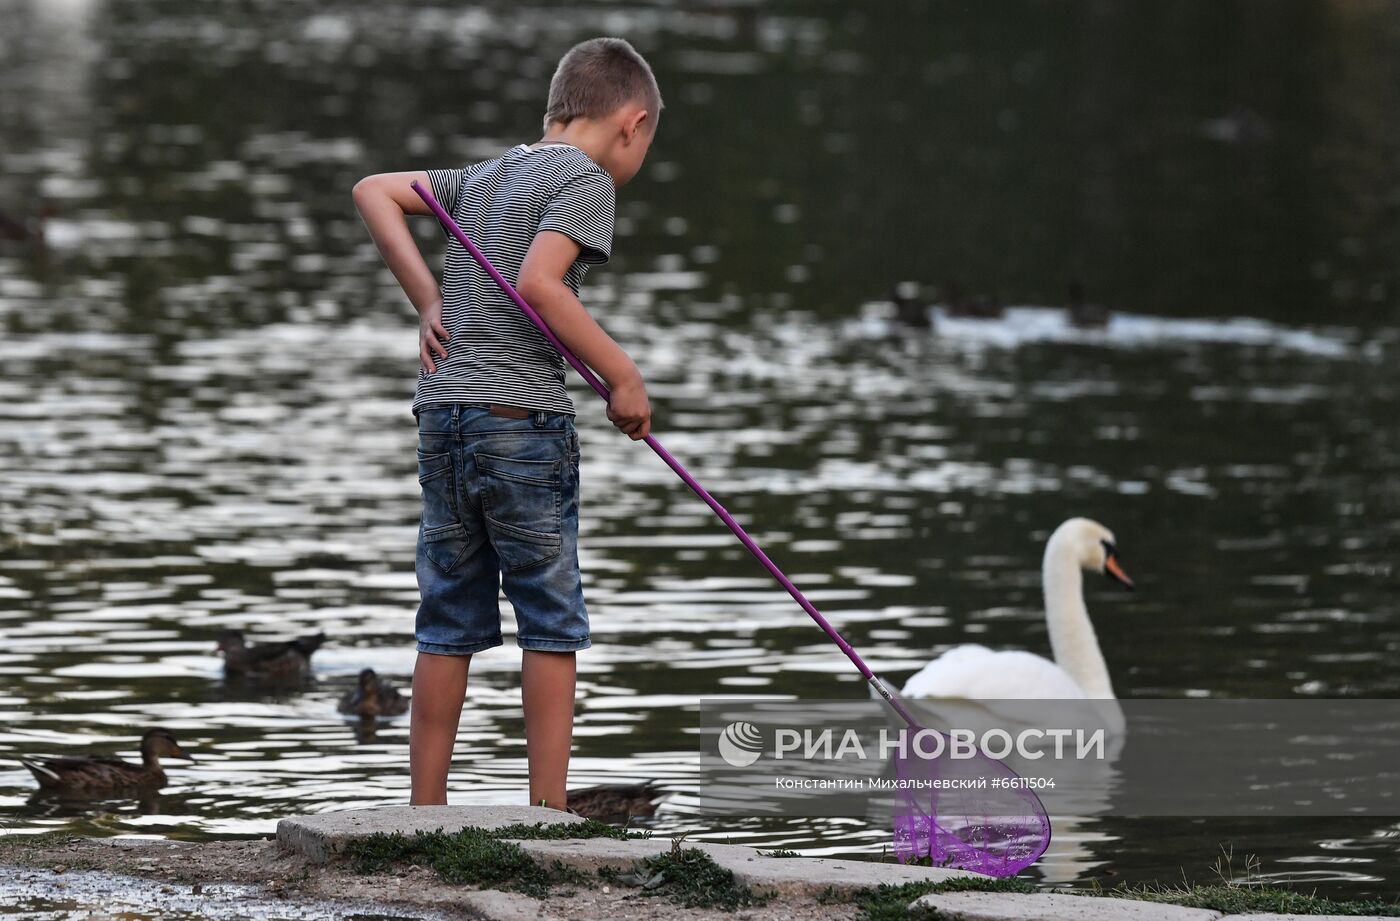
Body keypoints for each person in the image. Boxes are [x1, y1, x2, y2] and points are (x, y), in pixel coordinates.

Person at [351, 37, 661, 810]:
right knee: (550, 617)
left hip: (444, 416)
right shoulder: (586, 180)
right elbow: (540, 285)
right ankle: (547, 813)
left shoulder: (487, 174)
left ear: (553, 110)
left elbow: (373, 191)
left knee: (448, 612)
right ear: (633, 123)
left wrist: (429, 299)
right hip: (521, 422)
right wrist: (622, 376)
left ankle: (426, 810)